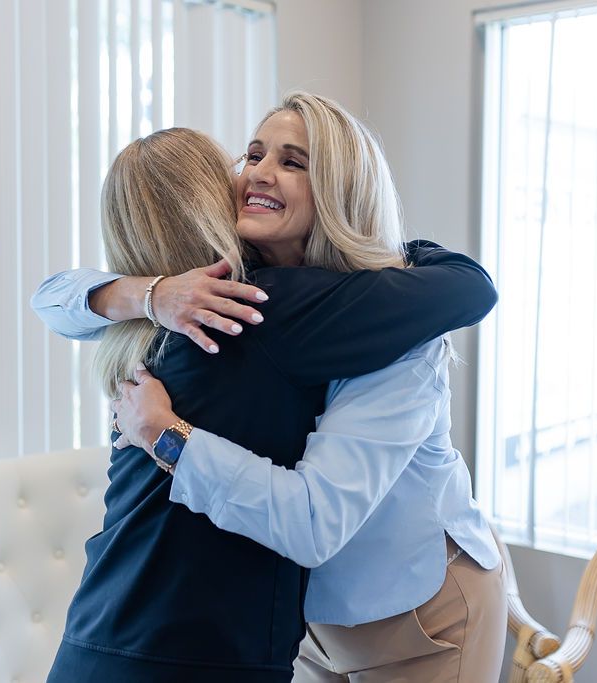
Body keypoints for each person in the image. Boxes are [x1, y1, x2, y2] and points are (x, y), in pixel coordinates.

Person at [40, 99, 498, 682]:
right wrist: (148, 293)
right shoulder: (214, 297)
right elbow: (52, 296)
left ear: (337, 189)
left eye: (292, 161)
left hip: (417, 609)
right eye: (253, 154)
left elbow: (312, 520)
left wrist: (165, 434)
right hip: (310, 615)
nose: (258, 171)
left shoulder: (396, 325)